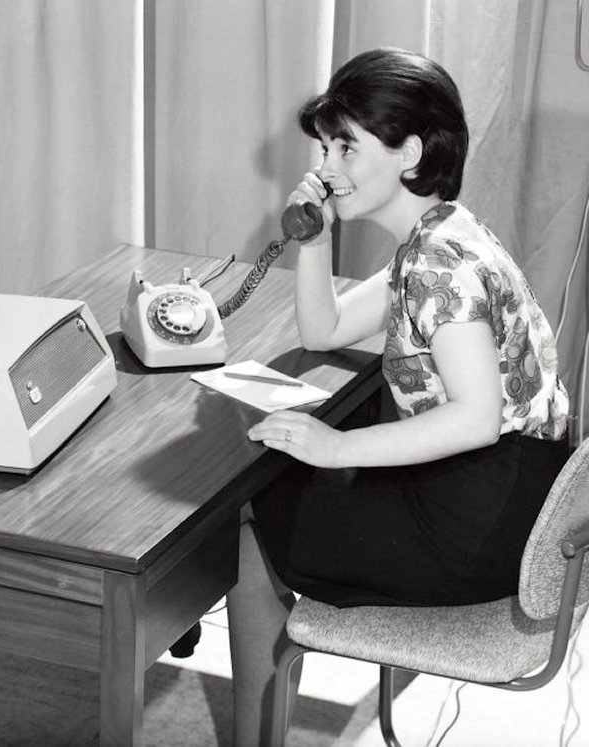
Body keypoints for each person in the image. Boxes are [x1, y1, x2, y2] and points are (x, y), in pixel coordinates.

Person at [226, 47, 570, 745]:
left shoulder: (437, 264)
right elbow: (323, 330)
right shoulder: (441, 235)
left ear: (409, 152)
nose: (326, 168)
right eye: (325, 148)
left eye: (346, 147)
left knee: (249, 516)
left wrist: (337, 447)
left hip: (481, 522)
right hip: (515, 498)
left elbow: (474, 418)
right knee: (291, 472)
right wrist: (315, 240)